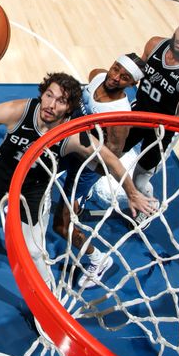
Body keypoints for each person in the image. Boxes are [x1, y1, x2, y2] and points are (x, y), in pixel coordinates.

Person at [0, 72, 154, 284]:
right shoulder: (20, 110)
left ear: (70, 108)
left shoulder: (72, 136)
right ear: (42, 94)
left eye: (61, 101)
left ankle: (47, 290)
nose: (51, 105)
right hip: (0, 175)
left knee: (33, 250)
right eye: (49, 95)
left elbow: (111, 159)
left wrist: (132, 193)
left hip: (34, 189)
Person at [52, 54, 145, 288]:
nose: (114, 77)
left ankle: (99, 259)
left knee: (62, 226)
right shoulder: (98, 76)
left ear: (132, 85)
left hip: (86, 165)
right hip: (71, 145)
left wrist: (87, 179)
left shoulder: (119, 115)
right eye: (115, 69)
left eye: (124, 78)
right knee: (36, 168)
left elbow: (112, 155)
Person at [122, 9, 179, 199]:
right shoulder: (155, 44)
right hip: (138, 112)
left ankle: (148, 208)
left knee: (140, 179)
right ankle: (79, 196)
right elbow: (135, 77)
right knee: (108, 152)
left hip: (162, 131)